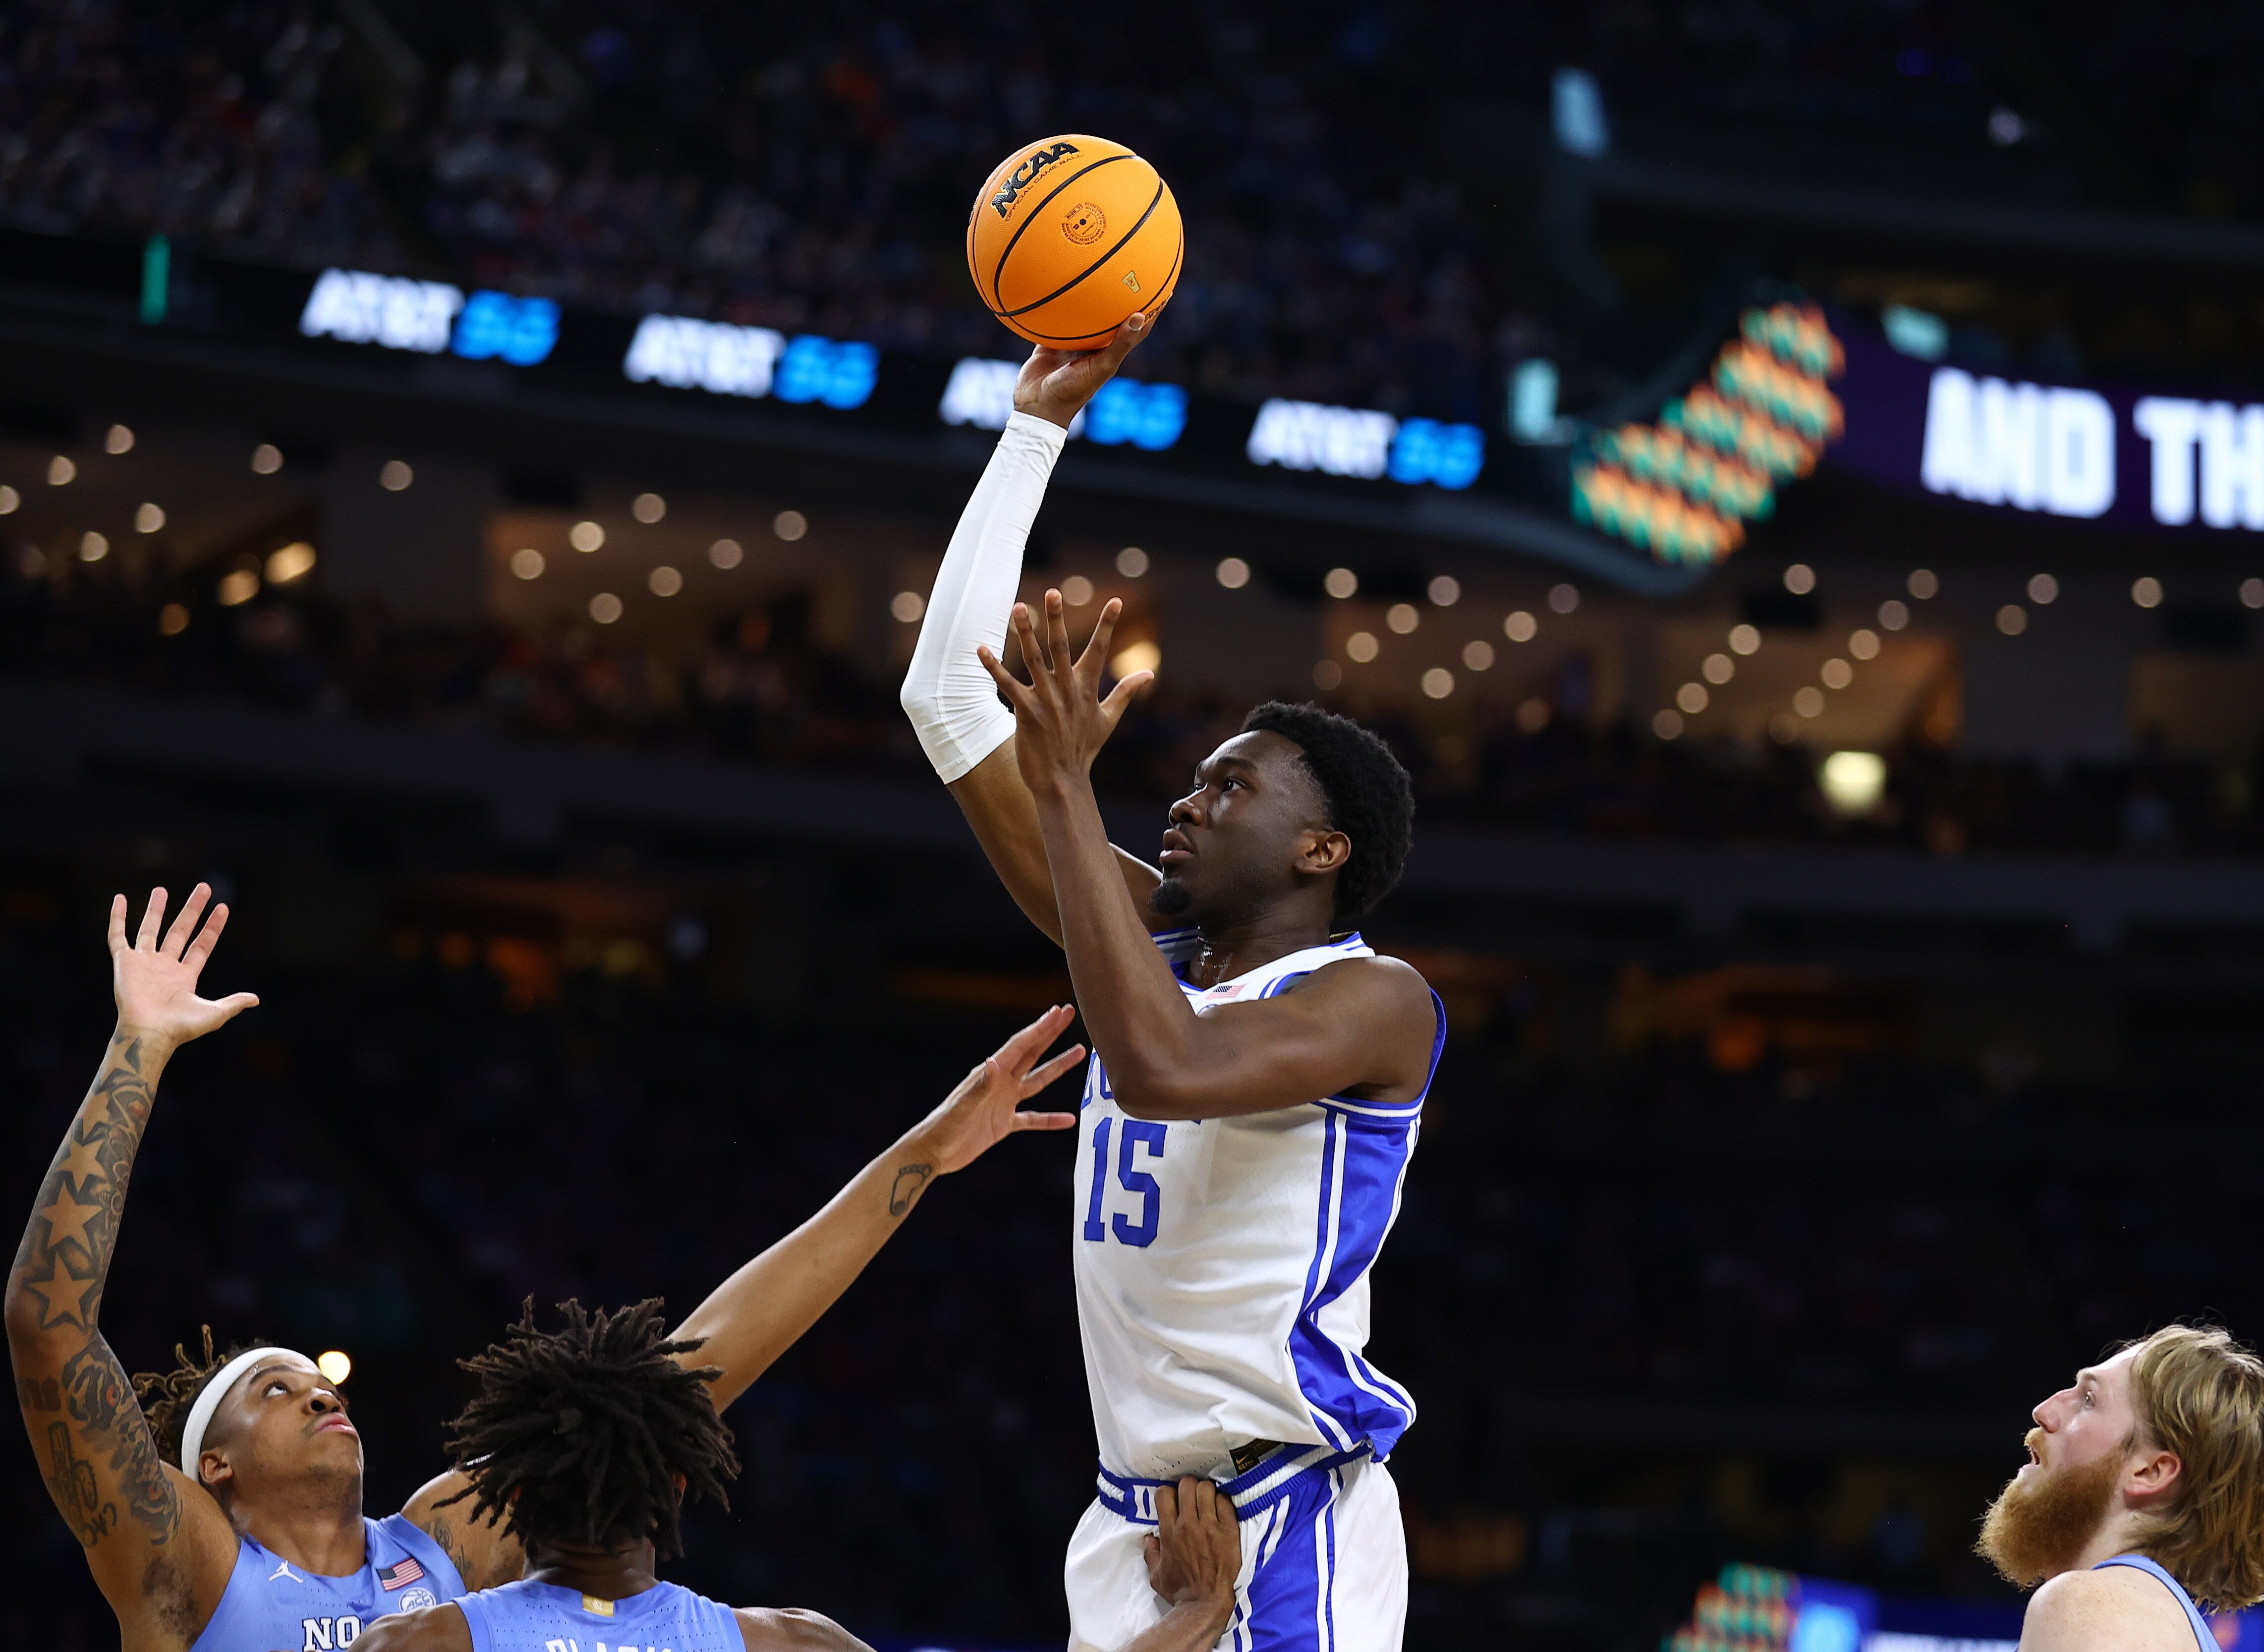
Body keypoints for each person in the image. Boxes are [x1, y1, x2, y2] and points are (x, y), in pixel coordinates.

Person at [7, 884, 1086, 1652]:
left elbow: (681, 1380)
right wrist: (137, 1051)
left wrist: (922, 1157)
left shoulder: (430, 1546)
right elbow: (50, 1328)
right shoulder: (187, 1559)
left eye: (312, 1375)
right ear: (219, 1469)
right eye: (272, 1390)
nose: (315, 1388)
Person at [898, 312, 1444, 1652]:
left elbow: (1166, 1069)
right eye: (1191, 781)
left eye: (1230, 786)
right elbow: (946, 700)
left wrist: (1069, 789)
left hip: (1283, 1510)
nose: (1188, 804)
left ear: (1323, 849)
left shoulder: (1376, 1003)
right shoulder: (1145, 944)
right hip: (1126, 1515)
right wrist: (1035, 427)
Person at [352, 1298, 1244, 1652]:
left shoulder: (414, 1642)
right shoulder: (788, 1641)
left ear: (508, 1498)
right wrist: (1200, 1611)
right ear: (681, 1487)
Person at [1976, 1324, 2264, 1652]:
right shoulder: (2149, 1615)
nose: (2044, 1411)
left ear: (2150, 1472)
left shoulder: (2091, 1607)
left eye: (2089, 1399)